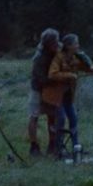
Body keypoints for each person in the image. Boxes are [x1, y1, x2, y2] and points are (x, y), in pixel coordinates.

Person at [56, 34, 93, 160]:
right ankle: (58, 150)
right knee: (60, 121)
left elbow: (89, 68)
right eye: (76, 43)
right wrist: (70, 75)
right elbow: (52, 74)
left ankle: (76, 147)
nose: (78, 46)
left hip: (68, 96)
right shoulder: (58, 58)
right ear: (68, 46)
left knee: (73, 120)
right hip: (57, 96)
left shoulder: (76, 58)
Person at [27, 28, 62, 157]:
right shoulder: (39, 58)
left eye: (57, 41)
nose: (57, 45)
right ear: (48, 44)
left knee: (52, 117)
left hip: (51, 90)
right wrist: (58, 78)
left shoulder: (59, 49)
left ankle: (52, 144)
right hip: (38, 89)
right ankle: (34, 146)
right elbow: (40, 78)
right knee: (34, 116)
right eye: (54, 42)